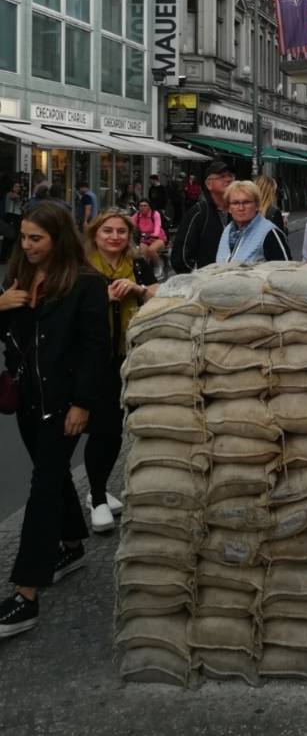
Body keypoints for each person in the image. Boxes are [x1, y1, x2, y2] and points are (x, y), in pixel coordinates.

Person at [0, 202, 109, 639]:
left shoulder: (86, 284)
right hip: (28, 399)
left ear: (58, 239)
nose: (26, 246)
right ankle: (72, 544)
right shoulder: (19, 277)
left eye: (36, 239)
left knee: (42, 488)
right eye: (23, 237)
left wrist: (83, 404)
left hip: (64, 405)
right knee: (52, 473)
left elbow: (94, 349)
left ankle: (26, 595)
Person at [83, 209, 158, 533]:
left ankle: (98, 490)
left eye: (121, 232)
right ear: (95, 235)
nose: (114, 237)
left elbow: (158, 292)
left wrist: (138, 290)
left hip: (127, 355)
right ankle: (97, 497)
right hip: (91, 356)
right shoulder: (82, 269)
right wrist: (103, 298)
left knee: (114, 428)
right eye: (107, 231)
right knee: (97, 429)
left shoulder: (137, 264)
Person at [170, 161, 233, 273]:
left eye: (230, 176)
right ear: (209, 184)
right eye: (222, 176)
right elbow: (180, 257)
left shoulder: (236, 212)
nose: (228, 180)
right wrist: (197, 277)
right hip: (204, 282)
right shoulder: (199, 212)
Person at [216, 180, 292, 264]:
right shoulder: (227, 231)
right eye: (235, 203)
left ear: (256, 205)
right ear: (229, 208)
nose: (241, 208)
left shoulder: (269, 233)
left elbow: (285, 271)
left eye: (246, 202)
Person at [131, 199, 168, 273]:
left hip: (158, 238)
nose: (143, 207)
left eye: (145, 206)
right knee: (141, 254)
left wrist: (155, 234)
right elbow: (130, 224)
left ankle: (158, 266)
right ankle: (145, 271)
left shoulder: (155, 214)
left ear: (149, 207)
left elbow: (158, 225)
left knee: (151, 250)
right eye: (141, 206)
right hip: (145, 238)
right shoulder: (137, 215)